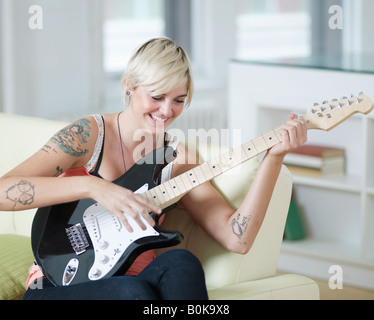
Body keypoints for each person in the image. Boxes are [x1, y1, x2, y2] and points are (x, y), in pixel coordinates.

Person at [0, 38, 307, 300]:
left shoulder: (176, 156)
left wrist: (274, 158)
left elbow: (236, 238)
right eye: (157, 96)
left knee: (182, 263)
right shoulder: (88, 134)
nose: (166, 111)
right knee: (133, 294)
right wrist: (93, 187)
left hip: (134, 282)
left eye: (178, 100)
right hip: (57, 284)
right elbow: (3, 191)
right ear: (129, 85)